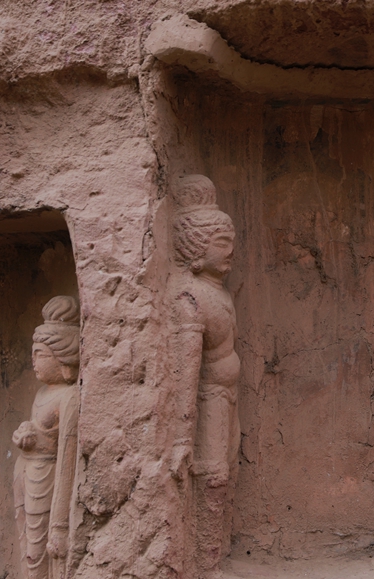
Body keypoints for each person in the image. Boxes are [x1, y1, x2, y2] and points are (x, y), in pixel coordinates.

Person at [169, 174, 239, 575]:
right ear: (196, 247)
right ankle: (205, 560)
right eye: (222, 243)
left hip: (226, 396)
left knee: (226, 469)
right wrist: (182, 436)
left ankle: (216, 548)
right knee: (212, 476)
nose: (230, 251)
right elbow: (185, 371)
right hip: (209, 397)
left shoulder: (218, 291)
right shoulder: (189, 297)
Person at [13, 295, 80, 579]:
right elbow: (39, 431)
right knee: (27, 544)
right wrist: (25, 433)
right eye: (34, 354)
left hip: (47, 475)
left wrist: (60, 525)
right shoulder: (42, 393)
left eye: (40, 355)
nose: (33, 361)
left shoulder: (70, 397)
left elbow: (67, 460)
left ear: (63, 359)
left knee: (40, 550)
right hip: (26, 472)